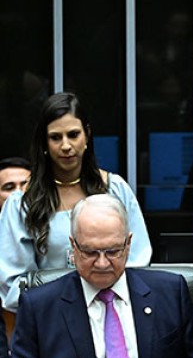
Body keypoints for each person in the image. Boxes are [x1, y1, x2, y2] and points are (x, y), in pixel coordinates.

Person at [11, 194, 193, 358]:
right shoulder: (39, 307)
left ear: (128, 245)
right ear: (73, 246)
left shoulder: (170, 293)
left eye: (112, 251)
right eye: (90, 252)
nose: (102, 263)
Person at [0, 93, 152, 312]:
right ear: (44, 142)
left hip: (112, 311)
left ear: (87, 135)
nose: (66, 145)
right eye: (55, 137)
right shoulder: (22, 203)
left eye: (73, 135)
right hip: (49, 317)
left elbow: (137, 262)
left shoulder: (115, 189)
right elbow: (15, 284)